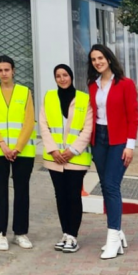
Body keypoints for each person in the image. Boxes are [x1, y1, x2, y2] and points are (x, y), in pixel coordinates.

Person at [87, 44, 138, 259]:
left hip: (118, 139)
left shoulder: (125, 84)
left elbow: (133, 116)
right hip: (98, 139)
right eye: (93, 59)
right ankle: (117, 231)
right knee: (108, 187)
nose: (97, 62)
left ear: (109, 58)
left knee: (110, 185)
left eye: (100, 57)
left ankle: (112, 238)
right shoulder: (93, 85)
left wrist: (130, 145)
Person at [39, 63, 92, 254]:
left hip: (76, 158)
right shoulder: (49, 97)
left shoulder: (84, 99)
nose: (62, 79)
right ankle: (65, 233)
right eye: (58, 76)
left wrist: (72, 150)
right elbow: (43, 125)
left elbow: (87, 128)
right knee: (60, 196)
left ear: (71, 76)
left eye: (65, 75)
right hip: (55, 158)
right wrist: (53, 150)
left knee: (73, 195)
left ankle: (73, 236)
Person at [0, 55, 36, 251]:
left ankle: (20, 233)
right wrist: (3, 146)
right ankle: (1, 233)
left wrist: (17, 147)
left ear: (13, 70)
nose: (4, 73)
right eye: (0, 70)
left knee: (22, 191)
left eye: (7, 69)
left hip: (22, 152)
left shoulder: (24, 92)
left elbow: (29, 122)